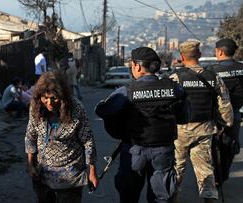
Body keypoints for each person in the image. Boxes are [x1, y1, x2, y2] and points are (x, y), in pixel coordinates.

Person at [95, 47, 190, 203]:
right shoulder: (174, 89)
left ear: (137, 66)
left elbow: (103, 110)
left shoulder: (127, 91)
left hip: (134, 150)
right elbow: (185, 116)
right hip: (164, 151)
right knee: (162, 197)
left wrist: (120, 128)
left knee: (128, 196)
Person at [169, 41, 234, 203]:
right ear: (199, 55)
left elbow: (168, 104)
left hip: (180, 131)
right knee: (205, 170)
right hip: (204, 129)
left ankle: (173, 198)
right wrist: (226, 124)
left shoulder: (175, 78)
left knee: (176, 168)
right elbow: (225, 104)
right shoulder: (213, 77)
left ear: (182, 57)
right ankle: (209, 199)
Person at [25, 71, 98, 203]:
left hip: (70, 175)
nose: (49, 103)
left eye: (54, 98)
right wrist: (30, 164)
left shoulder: (77, 109)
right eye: (45, 98)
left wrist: (91, 171)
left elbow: (88, 141)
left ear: (63, 96)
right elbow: (31, 135)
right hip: (43, 173)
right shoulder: (36, 107)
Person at [207, 38, 243, 161]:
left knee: (211, 146)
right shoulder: (241, 68)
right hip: (235, 112)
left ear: (220, 52)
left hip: (215, 115)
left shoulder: (211, 70)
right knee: (231, 145)